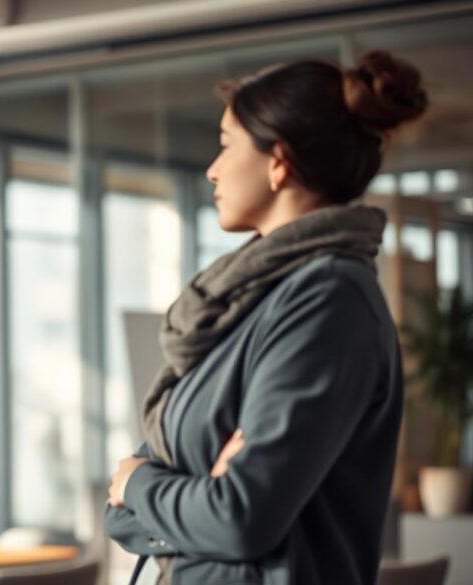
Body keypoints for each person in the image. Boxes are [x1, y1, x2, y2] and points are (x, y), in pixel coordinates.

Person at [104, 50, 427, 584]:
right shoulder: (244, 303)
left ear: (278, 162)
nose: (212, 168)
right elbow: (118, 517)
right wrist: (190, 500)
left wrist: (144, 485)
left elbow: (239, 518)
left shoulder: (329, 300)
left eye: (227, 144)